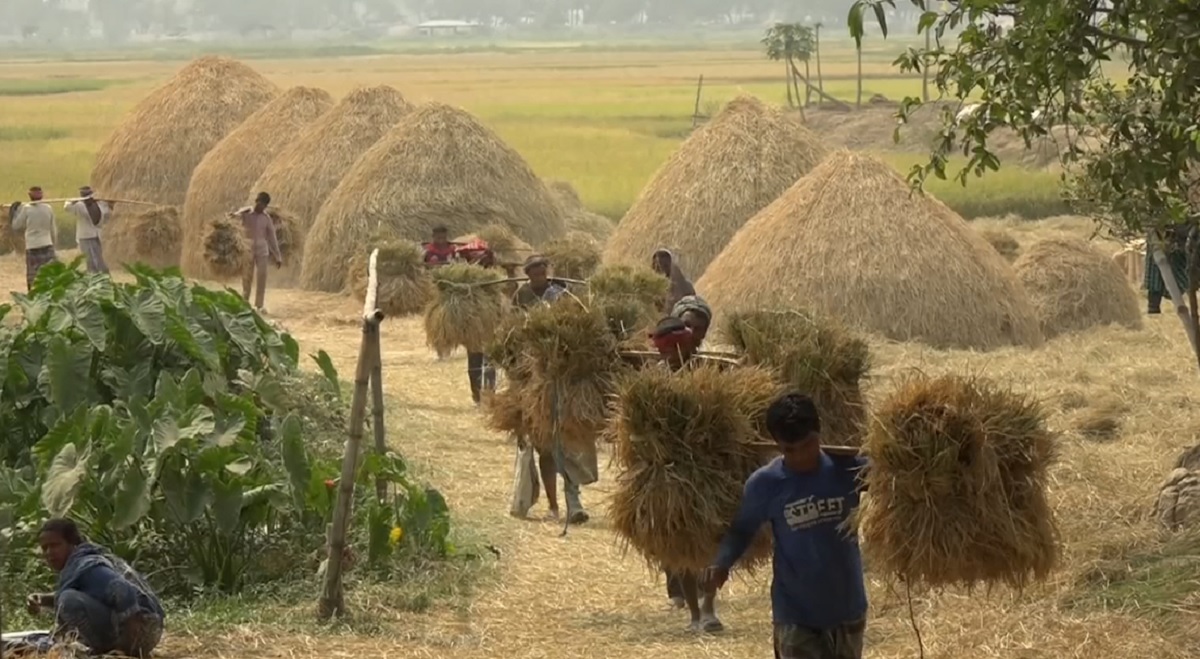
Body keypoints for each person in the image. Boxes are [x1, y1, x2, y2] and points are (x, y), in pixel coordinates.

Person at [704, 393, 869, 659]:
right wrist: (722, 563)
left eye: (808, 445)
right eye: (790, 450)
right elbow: (742, 529)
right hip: (795, 614)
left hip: (847, 608)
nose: (801, 456)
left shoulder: (849, 470)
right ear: (777, 445)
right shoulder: (766, 484)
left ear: (819, 433)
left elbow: (895, 479)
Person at [510, 254, 590, 525]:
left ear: (547, 271)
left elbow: (575, 324)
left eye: (542, 270)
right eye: (533, 272)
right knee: (544, 448)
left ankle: (574, 503)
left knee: (568, 445)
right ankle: (554, 506)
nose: (538, 275)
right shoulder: (521, 297)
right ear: (528, 274)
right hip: (534, 380)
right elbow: (512, 334)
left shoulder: (561, 294)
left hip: (562, 378)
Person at [26, 518, 164, 658]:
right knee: (65, 598)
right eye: (45, 548)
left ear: (72, 544)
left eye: (55, 545)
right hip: (149, 631)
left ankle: (102, 651)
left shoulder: (86, 565)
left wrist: (126, 647)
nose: (49, 552)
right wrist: (43, 599)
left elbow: (122, 589)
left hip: (140, 631)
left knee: (68, 600)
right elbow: (90, 592)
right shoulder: (81, 563)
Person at [458, 238, 498, 406]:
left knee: (489, 363)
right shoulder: (464, 279)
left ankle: (489, 397)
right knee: (474, 364)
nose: (478, 262)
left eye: (481, 258)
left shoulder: (496, 277)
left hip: (491, 325)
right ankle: (476, 396)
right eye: (473, 258)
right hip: (472, 326)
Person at [232, 192, 282, 314]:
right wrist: (233, 215)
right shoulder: (246, 213)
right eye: (259, 203)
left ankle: (259, 305)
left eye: (263, 205)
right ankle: (244, 302)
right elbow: (233, 219)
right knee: (247, 276)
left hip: (262, 250)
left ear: (265, 206)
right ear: (256, 201)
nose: (260, 207)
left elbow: (272, 238)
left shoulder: (266, 218)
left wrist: (278, 256)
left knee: (262, 276)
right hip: (248, 248)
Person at [10, 186, 58, 291]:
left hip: (32, 246)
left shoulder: (26, 209)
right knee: (50, 273)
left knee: (33, 276)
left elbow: (16, 226)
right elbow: (53, 229)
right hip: (47, 244)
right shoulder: (48, 208)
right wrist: (54, 245)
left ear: (29, 196)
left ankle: (34, 294)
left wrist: (14, 212)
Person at [64, 186, 111, 274]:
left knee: (98, 258)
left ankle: (103, 274)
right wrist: (72, 201)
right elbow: (67, 207)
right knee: (89, 259)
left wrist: (110, 205)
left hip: (96, 235)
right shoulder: (79, 205)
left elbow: (106, 215)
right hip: (85, 236)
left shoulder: (99, 204)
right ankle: (92, 275)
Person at [1145, 225, 1191, 314]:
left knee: (1184, 274)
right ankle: (1153, 308)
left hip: (1179, 239)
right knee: (1155, 277)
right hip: (1158, 237)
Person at [651, 248, 696, 315]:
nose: (661, 269)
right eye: (656, 267)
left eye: (665, 265)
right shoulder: (649, 289)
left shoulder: (686, 287)